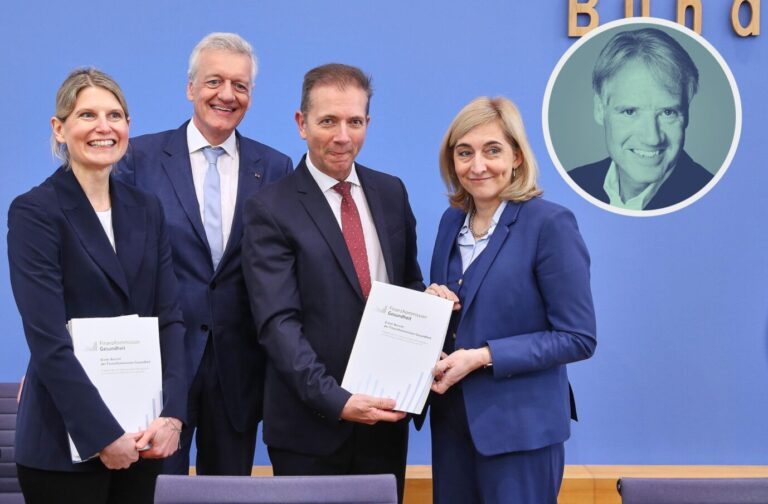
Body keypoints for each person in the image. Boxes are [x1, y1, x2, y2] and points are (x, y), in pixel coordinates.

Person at [242, 63, 424, 503]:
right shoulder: (270, 208)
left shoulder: (391, 192)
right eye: (328, 121)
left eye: (354, 122)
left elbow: (409, 286)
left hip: (385, 422)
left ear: (367, 123)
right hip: (310, 428)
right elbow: (277, 324)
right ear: (301, 124)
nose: (343, 136)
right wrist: (338, 400)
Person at [115, 33, 293, 475]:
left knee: (228, 492)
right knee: (153, 492)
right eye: (215, 81)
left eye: (241, 85)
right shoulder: (140, 158)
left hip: (239, 368)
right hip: (157, 365)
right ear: (190, 88)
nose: (227, 95)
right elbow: (108, 260)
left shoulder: (275, 167)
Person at [7, 68, 186, 503]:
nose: (104, 127)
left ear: (128, 126)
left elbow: (171, 320)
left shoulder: (147, 208)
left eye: (116, 115)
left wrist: (174, 417)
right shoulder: (35, 212)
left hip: (144, 440)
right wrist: (103, 434)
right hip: (63, 449)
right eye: (87, 114)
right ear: (60, 128)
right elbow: (48, 341)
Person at [426, 96, 597, 504]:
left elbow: (577, 337)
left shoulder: (550, 224)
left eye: (492, 150)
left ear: (517, 156)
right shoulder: (451, 222)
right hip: (452, 427)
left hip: (521, 433)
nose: (477, 165)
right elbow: (461, 313)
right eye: (464, 152)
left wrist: (483, 356)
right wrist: (431, 303)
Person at [568, 27, 711, 211]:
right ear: (599, 109)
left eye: (668, 112)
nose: (652, 138)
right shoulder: (575, 184)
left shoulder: (712, 198)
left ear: (686, 114)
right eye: (630, 112)